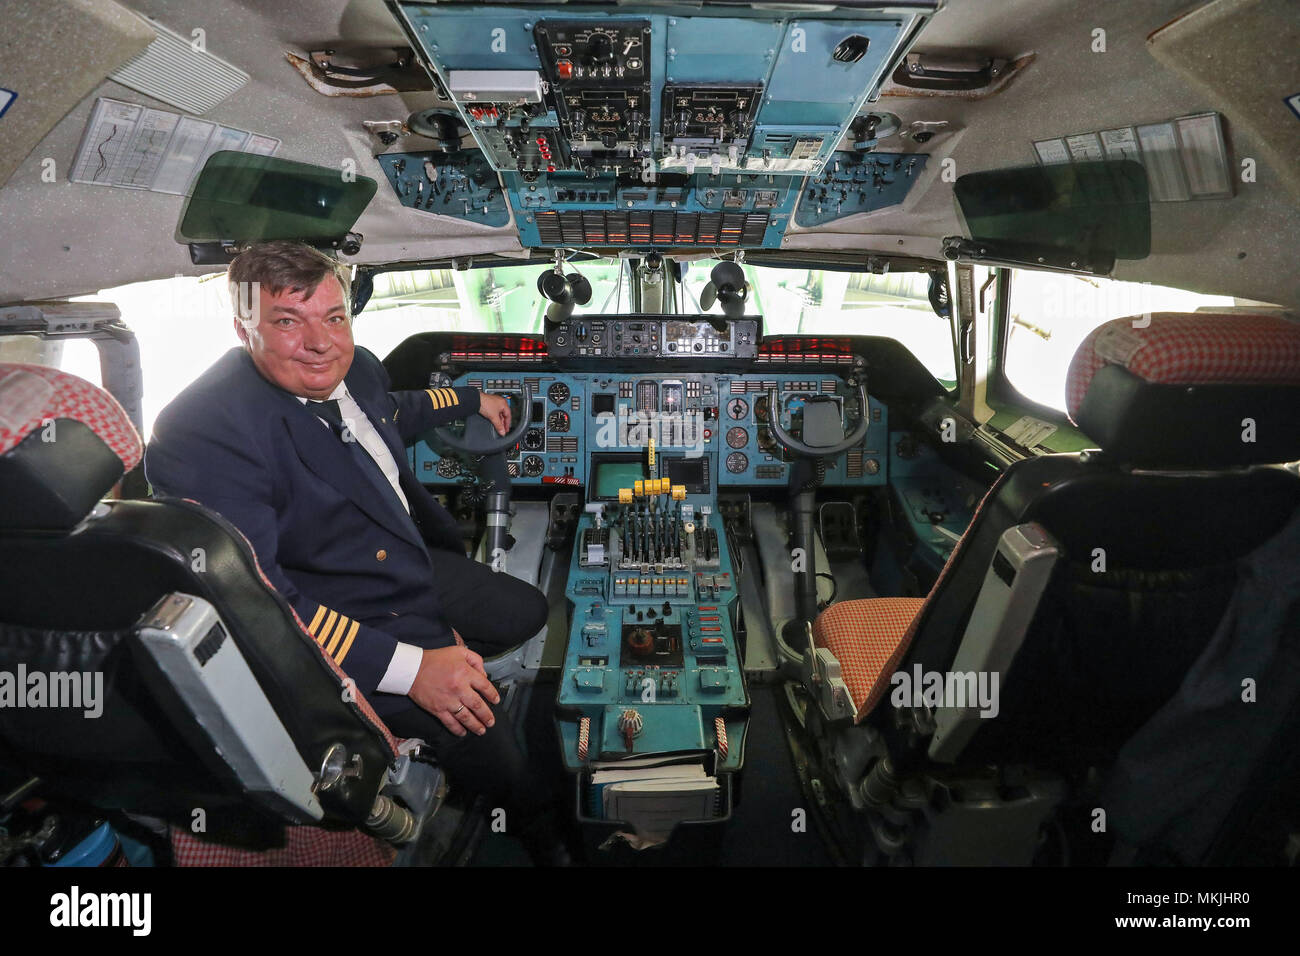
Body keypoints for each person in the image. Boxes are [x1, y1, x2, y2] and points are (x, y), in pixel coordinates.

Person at [145, 240, 564, 862]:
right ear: (244, 328)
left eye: (333, 317)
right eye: (288, 322)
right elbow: (255, 605)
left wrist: (474, 400)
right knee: (492, 742)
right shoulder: (206, 431)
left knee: (526, 611)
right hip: (332, 615)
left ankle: (452, 657)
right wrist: (415, 671)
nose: (320, 343)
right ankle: (537, 828)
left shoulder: (357, 366)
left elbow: (394, 410)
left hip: (401, 566)